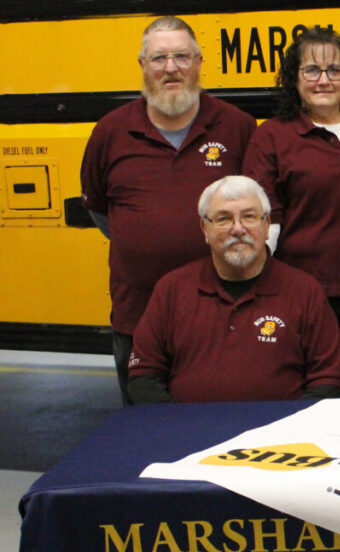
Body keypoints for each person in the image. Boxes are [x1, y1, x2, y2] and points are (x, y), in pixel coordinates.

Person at [80, 16, 257, 404]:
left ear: (199, 62)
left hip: (225, 317)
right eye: (159, 58)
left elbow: (261, 212)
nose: (171, 68)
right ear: (142, 65)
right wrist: (142, 236)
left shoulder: (238, 128)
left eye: (182, 56)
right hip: (138, 319)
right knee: (145, 436)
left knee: (225, 432)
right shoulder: (109, 132)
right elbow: (99, 210)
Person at [243, 28, 340, 397]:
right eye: (311, 70)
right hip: (302, 297)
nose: (323, 80)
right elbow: (265, 221)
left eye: (334, 70)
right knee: (308, 398)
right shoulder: (272, 137)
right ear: (294, 79)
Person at [127, 176, 340, 403]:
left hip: (280, 436)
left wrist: (287, 431)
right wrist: (180, 428)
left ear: (266, 225)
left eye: (249, 217)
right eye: (223, 219)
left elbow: (329, 381)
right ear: (205, 228)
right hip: (189, 433)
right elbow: (144, 376)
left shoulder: (305, 291)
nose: (238, 229)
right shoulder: (171, 290)